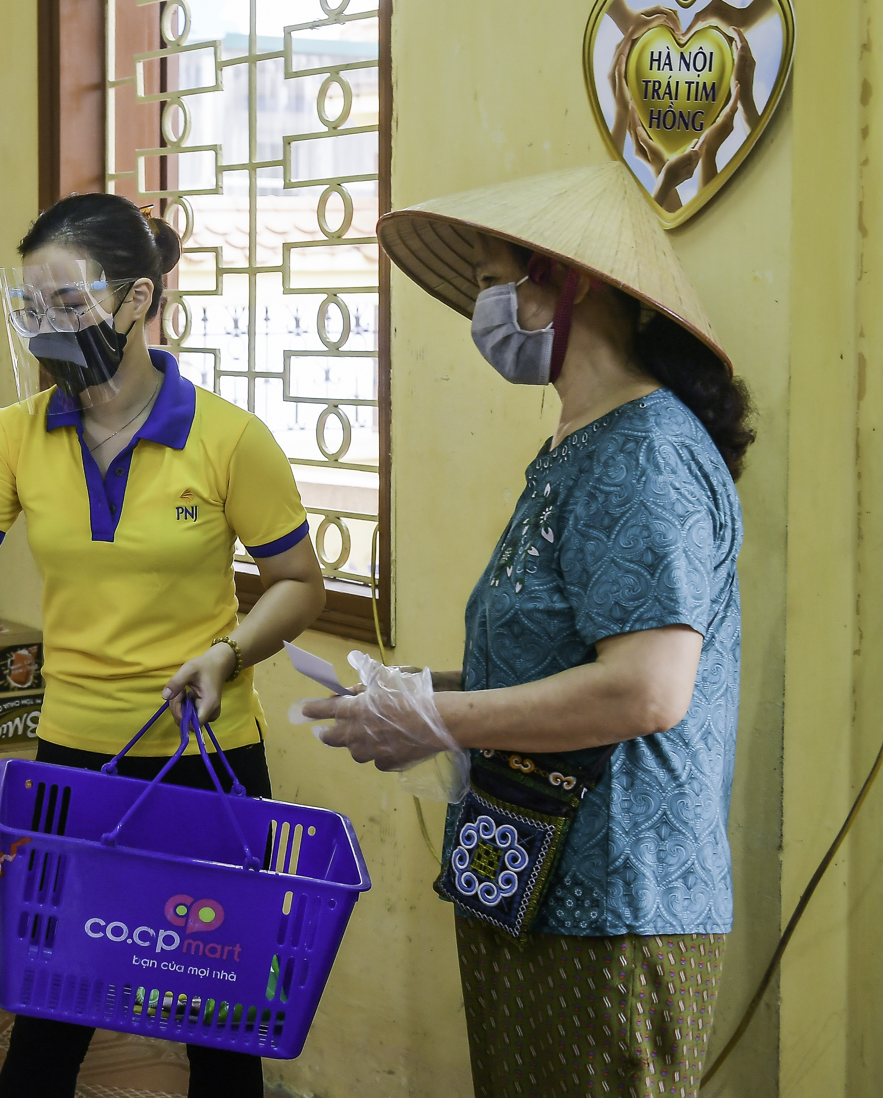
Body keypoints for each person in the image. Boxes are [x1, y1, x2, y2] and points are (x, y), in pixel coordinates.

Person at [0, 193, 327, 1098]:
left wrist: (228, 654)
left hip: (208, 761)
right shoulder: (16, 434)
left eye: (69, 306)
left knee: (218, 1016)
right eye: (31, 310)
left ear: (137, 300)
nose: (49, 329)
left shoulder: (231, 438)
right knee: (50, 1007)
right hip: (75, 760)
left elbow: (299, 584)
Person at [301, 162, 751, 1098]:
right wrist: (419, 692)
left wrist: (439, 719)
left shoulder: (648, 455)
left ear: (564, 283)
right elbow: (548, 656)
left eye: (491, 278)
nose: (482, 306)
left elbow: (647, 689)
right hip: (522, 870)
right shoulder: (572, 446)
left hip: (613, 894)